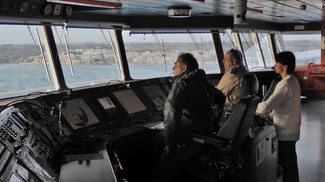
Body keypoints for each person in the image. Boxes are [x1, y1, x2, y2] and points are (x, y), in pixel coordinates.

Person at [152, 53, 225, 182]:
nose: (173, 69)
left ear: (184, 68)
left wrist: (171, 143)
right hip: (205, 131)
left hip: (192, 136)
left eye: (175, 65)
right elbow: (221, 97)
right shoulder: (202, 81)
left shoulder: (182, 84)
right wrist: (216, 122)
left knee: (162, 162)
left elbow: (171, 114)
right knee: (158, 138)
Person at [256, 51, 301, 182]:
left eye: (277, 63)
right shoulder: (293, 80)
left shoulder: (284, 85)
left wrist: (255, 108)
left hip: (285, 130)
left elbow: (266, 106)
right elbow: (285, 105)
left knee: (288, 165)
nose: (274, 66)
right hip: (291, 127)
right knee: (290, 164)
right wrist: (270, 115)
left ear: (284, 67)